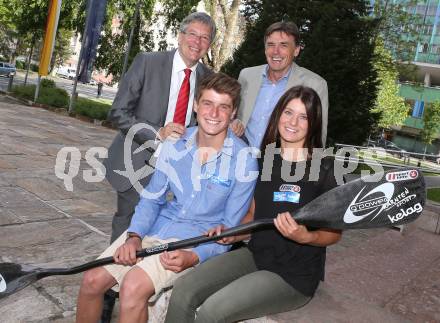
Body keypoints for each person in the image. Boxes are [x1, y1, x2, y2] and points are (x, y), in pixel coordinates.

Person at [75, 73, 258, 323]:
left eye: (223, 106)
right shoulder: (174, 145)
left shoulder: (244, 160)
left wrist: (195, 256)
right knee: (92, 281)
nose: (214, 113)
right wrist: (134, 236)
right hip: (157, 227)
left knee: (132, 287)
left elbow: (227, 230)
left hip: (193, 240)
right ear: (195, 105)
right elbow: (151, 199)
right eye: (207, 103)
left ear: (233, 112)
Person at [165, 86, 342, 323]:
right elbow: (253, 214)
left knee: (212, 311)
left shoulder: (326, 169)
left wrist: (305, 237)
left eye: (303, 117)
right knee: (184, 290)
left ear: (314, 123)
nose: (293, 122)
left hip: (293, 274)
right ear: (278, 114)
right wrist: (232, 234)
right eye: (288, 113)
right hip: (256, 254)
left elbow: (333, 233)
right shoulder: (263, 161)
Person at [104, 12, 216, 244]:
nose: (197, 42)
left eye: (204, 38)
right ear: (180, 36)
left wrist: (233, 123)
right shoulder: (147, 62)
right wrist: (157, 133)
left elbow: (214, 116)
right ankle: (111, 274)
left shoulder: (209, 79)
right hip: (136, 161)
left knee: (161, 228)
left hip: (180, 170)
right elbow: (119, 112)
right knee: (128, 225)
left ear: (209, 45)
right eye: (192, 34)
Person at [230, 21, 329, 148]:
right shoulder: (247, 76)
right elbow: (232, 114)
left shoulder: (315, 84)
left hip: (281, 164)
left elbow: (318, 134)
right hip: (240, 158)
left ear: (296, 50)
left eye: (284, 45)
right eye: (270, 44)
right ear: (265, 49)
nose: (276, 51)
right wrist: (234, 122)